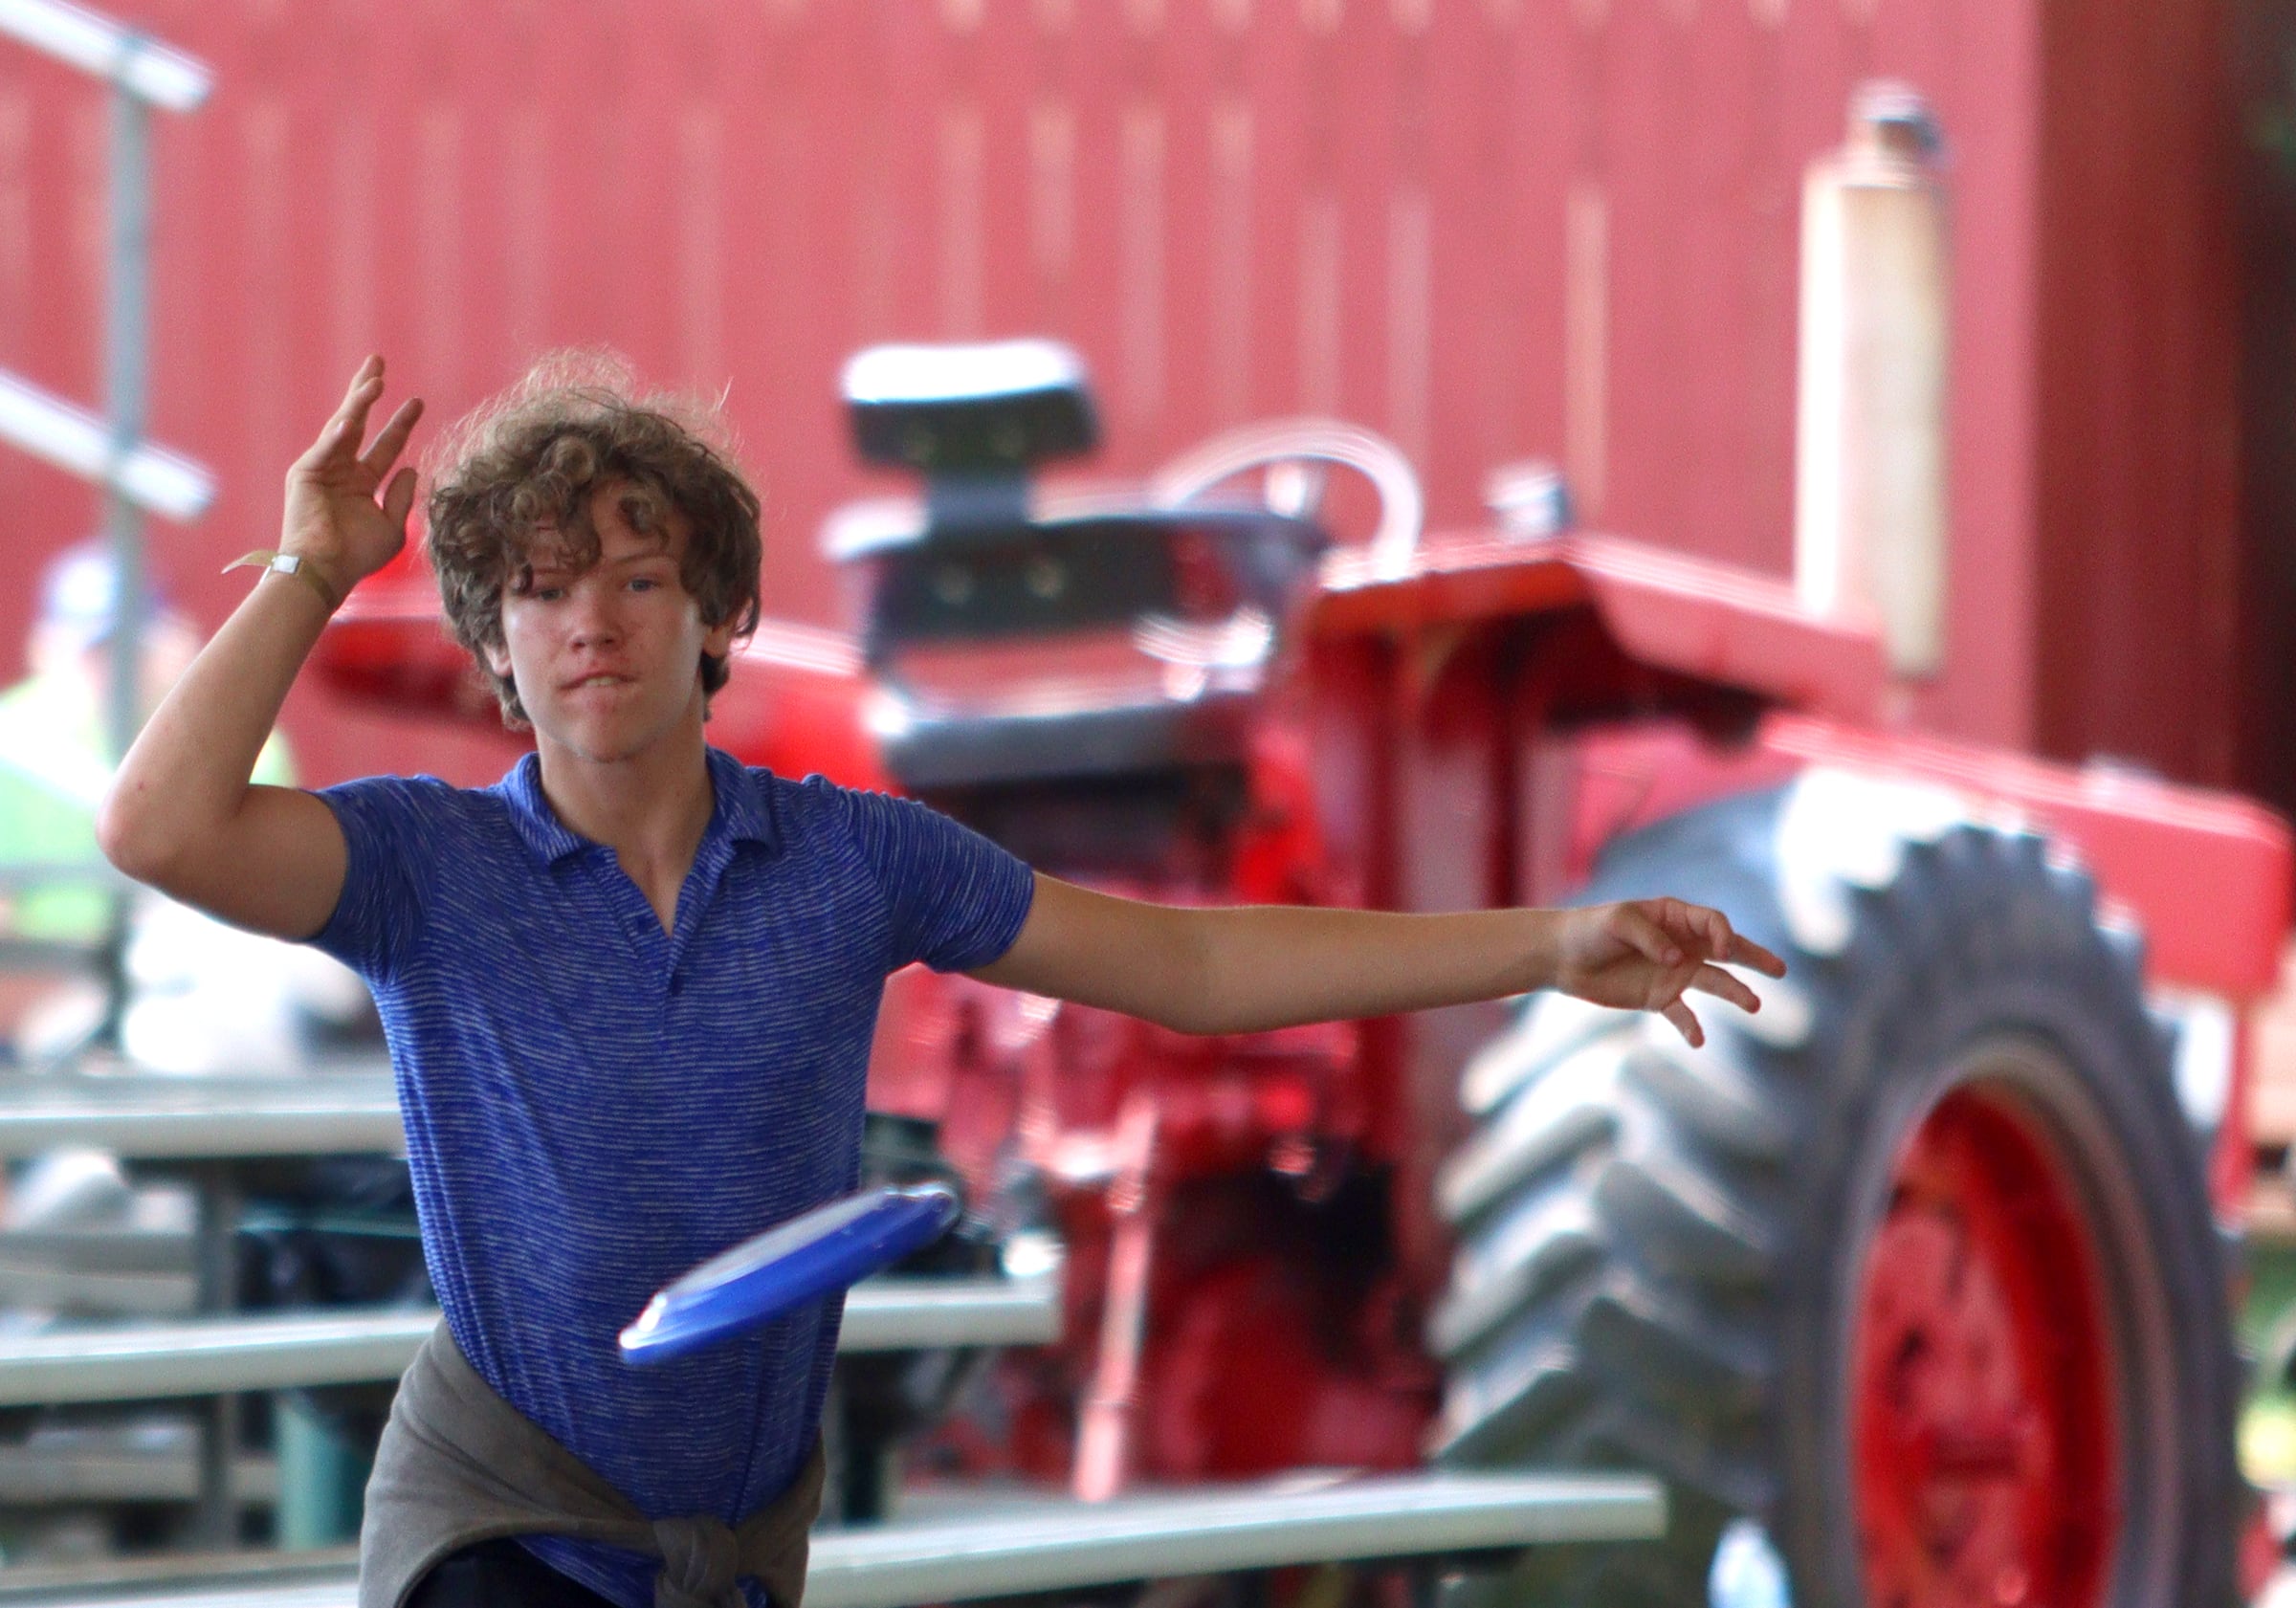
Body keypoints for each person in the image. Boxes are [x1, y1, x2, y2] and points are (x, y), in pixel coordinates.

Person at [96, 354, 1785, 1608]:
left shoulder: (857, 861)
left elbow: (1189, 961)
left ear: (715, 614)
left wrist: (1547, 944)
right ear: (494, 644)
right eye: (537, 595)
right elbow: (159, 828)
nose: (586, 623)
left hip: (741, 1542)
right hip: (500, 1523)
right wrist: (312, 569)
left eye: (633, 576)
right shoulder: (417, 865)